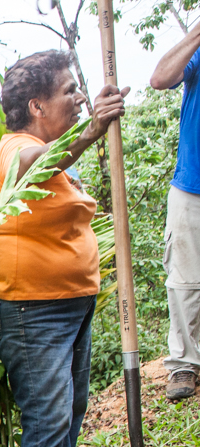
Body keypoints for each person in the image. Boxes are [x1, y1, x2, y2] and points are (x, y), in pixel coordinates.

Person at [0, 51, 127, 447]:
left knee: (69, 412)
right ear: (37, 105)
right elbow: (34, 166)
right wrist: (92, 130)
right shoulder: (16, 149)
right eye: (69, 90)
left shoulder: (47, 150)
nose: (79, 96)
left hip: (68, 306)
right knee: (47, 420)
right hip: (32, 312)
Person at [151, 20, 200, 402]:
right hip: (192, 186)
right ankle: (184, 363)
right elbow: (160, 78)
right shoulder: (197, 51)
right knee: (184, 280)